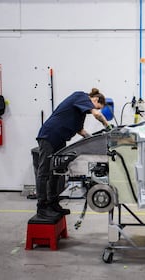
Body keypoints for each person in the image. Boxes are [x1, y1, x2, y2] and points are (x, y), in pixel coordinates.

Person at [35, 88, 110, 219]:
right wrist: (107, 126)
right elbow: (97, 114)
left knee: (56, 172)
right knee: (44, 172)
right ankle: (41, 207)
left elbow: (80, 130)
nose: (96, 110)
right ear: (96, 99)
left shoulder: (81, 112)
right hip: (49, 136)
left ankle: (52, 203)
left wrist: (92, 138)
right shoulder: (80, 96)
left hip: (60, 139)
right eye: (98, 106)